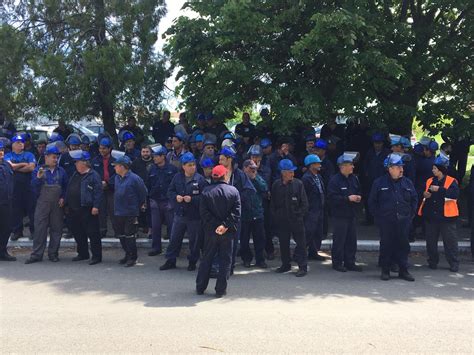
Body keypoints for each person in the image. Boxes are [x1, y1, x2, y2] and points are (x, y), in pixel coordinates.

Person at [369, 154, 417, 281]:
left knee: (403, 245)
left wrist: (409, 215)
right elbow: (372, 202)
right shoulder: (379, 183)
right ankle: (385, 270)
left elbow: (414, 200)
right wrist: (379, 217)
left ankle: (403, 270)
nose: (401, 169)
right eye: (398, 167)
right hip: (386, 221)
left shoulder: (408, 182)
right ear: (390, 168)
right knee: (386, 245)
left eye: (402, 166)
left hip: (403, 220)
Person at [196, 165, 241, 297]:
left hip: (210, 232)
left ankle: (200, 287)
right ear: (225, 176)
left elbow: (204, 214)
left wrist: (216, 226)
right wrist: (224, 225)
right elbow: (236, 213)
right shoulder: (233, 191)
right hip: (227, 232)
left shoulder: (206, 192)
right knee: (225, 260)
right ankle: (220, 290)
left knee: (207, 259)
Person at [160, 152, 206, 271]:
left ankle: (192, 262)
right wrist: (176, 197)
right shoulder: (177, 177)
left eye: (193, 165)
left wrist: (193, 199)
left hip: (194, 216)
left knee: (194, 241)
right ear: (183, 166)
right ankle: (171, 260)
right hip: (179, 214)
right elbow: (170, 191)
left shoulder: (200, 179)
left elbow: (205, 198)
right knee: (174, 239)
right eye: (189, 165)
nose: (192, 167)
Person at [25, 145, 68, 264]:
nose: (55, 160)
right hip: (42, 203)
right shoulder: (38, 170)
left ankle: (53, 254)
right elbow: (33, 188)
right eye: (53, 157)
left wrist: (63, 198)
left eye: (57, 158)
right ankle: (36, 255)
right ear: (46, 157)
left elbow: (66, 187)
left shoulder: (62, 171)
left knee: (57, 229)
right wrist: (38, 178)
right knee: (40, 229)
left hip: (57, 205)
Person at [418, 155, 460, 272]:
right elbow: (423, 191)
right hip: (431, 216)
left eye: (435, 169)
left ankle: (453, 262)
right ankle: (432, 261)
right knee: (431, 241)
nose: (433, 170)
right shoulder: (429, 181)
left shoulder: (451, 181)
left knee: (450, 241)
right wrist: (425, 194)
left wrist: (440, 190)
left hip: (447, 217)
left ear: (441, 170)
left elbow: (454, 194)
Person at [270, 159, 309, 277]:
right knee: (283, 243)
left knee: (301, 243)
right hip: (282, 220)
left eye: (293, 172)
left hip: (296, 220)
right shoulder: (276, 185)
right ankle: (285, 264)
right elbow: (273, 204)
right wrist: (276, 217)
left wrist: (300, 215)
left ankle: (302, 267)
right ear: (283, 173)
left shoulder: (298, 184)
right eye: (290, 172)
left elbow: (305, 203)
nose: (292, 174)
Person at [65, 150, 103, 265]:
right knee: (78, 232)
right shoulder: (75, 174)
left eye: (77, 162)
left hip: (88, 208)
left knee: (93, 233)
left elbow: (98, 192)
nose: (75, 164)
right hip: (74, 209)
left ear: (84, 163)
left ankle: (96, 256)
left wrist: (96, 206)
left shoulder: (93, 175)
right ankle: (83, 253)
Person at [327, 153, 363, 272]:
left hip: (351, 214)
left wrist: (358, 197)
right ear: (342, 166)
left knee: (351, 240)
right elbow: (332, 198)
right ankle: (337, 263)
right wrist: (347, 199)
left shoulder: (354, 178)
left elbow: (358, 190)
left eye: (352, 164)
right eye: (350, 165)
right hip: (339, 215)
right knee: (339, 240)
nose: (352, 167)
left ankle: (350, 262)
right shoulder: (334, 180)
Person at [112, 155, 148, 267]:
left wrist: (139, 204)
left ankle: (133, 257)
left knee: (130, 235)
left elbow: (143, 193)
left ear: (123, 167)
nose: (114, 168)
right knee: (121, 235)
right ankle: (127, 254)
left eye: (116, 166)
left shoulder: (135, 178)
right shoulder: (116, 178)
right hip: (118, 211)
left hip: (130, 212)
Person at [146, 145, 178, 256]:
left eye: (155, 156)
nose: (154, 158)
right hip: (155, 200)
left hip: (168, 201)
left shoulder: (172, 169)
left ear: (162, 157)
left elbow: (175, 186)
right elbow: (148, 185)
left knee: (172, 227)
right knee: (155, 226)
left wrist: (173, 200)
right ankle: (156, 248)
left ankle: (172, 249)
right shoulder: (151, 169)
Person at [5, 134, 36, 241]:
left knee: (31, 209)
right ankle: (17, 231)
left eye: (22, 142)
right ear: (13, 144)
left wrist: (16, 168)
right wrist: (23, 164)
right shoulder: (8, 155)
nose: (21, 144)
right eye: (18, 142)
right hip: (14, 187)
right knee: (16, 210)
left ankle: (34, 231)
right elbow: (9, 166)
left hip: (28, 186)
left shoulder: (29, 154)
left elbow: (31, 167)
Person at [240, 159, 268, 268]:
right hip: (244, 214)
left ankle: (260, 260)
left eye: (254, 169)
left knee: (260, 239)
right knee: (244, 240)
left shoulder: (257, 177)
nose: (252, 170)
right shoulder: (240, 177)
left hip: (257, 212)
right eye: (250, 168)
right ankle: (246, 259)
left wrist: (255, 178)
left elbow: (264, 188)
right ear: (245, 168)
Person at [302, 154, 326, 261]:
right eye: (317, 163)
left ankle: (313, 252)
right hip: (311, 209)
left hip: (319, 208)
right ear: (311, 165)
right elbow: (304, 196)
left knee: (317, 232)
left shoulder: (318, 176)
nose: (319, 165)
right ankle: (299, 253)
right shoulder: (306, 178)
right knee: (308, 232)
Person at [362, 133, 391, 225]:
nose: (377, 145)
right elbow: (365, 165)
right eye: (375, 143)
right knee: (369, 199)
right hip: (371, 180)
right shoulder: (370, 152)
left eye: (379, 143)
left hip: (383, 180)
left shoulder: (387, 153)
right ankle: (369, 219)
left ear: (382, 143)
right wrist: (366, 174)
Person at [91, 137, 116, 238]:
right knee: (101, 211)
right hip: (99, 189)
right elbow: (92, 174)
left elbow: (117, 174)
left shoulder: (115, 160)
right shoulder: (95, 160)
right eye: (100, 148)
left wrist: (108, 183)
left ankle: (117, 231)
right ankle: (102, 230)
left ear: (109, 149)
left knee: (113, 210)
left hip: (111, 189)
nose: (102, 150)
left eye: (104, 148)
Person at [0, 141, 16, 261]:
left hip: (7, 202)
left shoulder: (7, 165)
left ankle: (2, 251)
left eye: (2, 150)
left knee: (6, 227)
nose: (1, 153)